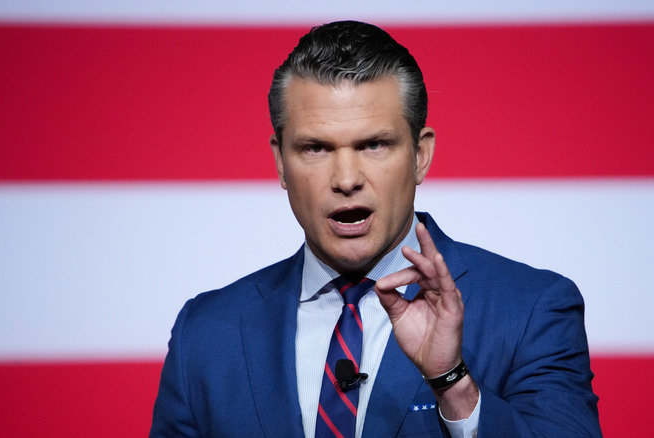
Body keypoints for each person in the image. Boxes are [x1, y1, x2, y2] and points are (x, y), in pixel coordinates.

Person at [150, 20, 601, 437]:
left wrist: (454, 386)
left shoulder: (530, 310)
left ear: (420, 155)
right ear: (280, 162)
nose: (346, 179)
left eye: (374, 144)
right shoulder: (205, 333)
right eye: (315, 148)